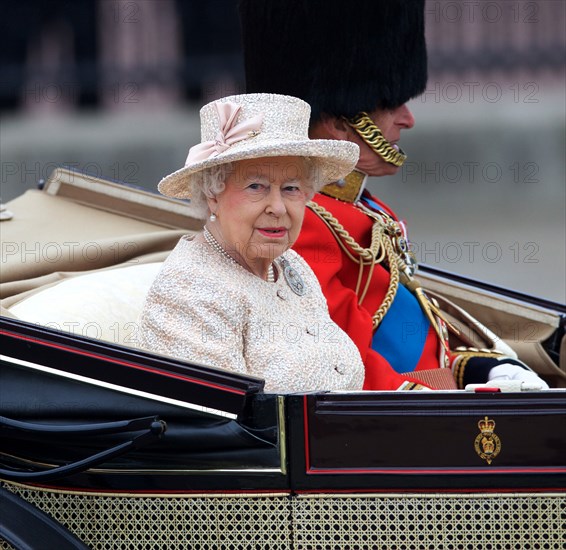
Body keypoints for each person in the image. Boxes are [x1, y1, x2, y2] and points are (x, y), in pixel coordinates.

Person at [239, 0, 549, 391]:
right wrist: (445, 399)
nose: (408, 118)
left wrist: (474, 371)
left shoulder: (359, 208)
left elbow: (408, 339)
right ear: (339, 123)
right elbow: (342, 362)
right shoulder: (301, 223)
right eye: (391, 104)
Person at [138, 92, 365, 393]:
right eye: (256, 186)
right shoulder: (189, 289)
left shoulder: (293, 267)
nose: (278, 207)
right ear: (213, 194)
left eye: (291, 188)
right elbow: (220, 429)